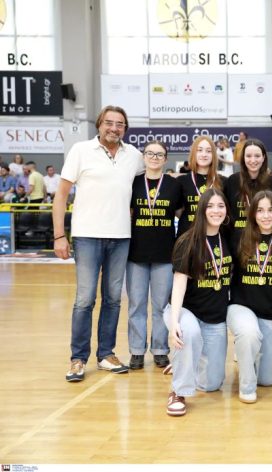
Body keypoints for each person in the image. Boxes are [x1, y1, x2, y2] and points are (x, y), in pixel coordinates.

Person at [52, 105, 144, 382]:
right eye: (109, 123)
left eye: (120, 124)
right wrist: (59, 235)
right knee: (85, 300)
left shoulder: (134, 156)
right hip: (87, 236)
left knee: (113, 299)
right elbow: (61, 195)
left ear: (125, 129)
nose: (114, 128)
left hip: (121, 237)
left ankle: (106, 354)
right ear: (99, 125)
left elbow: (148, 183)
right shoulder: (81, 150)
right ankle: (78, 358)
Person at [227, 191, 272, 403]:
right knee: (248, 333)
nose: (266, 216)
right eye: (260, 210)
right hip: (242, 306)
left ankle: (250, 355)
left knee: (268, 379)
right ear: (252, 213)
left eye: (270, 210)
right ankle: (247, 387)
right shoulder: (238, 237)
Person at [164, 188, 232, 416]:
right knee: (189, 333)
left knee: (211, 384)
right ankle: (177, 391)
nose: (216, 211)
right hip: (185, 310)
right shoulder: (188, 240)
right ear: (202, 209)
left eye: (220, 206)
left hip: (214, 317)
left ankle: (183, 361)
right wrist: (174, 322)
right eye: (210, 206)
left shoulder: (228, 237)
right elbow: (179, 284)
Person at [126, 141, 182, 370]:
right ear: (144, 157)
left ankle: (160, 350)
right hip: (136, 253)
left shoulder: (173, 185)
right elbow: (127, 212)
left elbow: (182, 214)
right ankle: (136, 351)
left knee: (161, 306)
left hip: (164, 254)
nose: (154, 157)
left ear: (165, 159)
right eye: (150, 153)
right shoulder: (133, 182)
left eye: (159, 155)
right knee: (136, 305)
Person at [223, 138, 272, 239]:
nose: (253, 160)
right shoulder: (232, 181)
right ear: (243, 158)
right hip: (237, 240)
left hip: (264, 239)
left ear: (263, 158)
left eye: (257, 156)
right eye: (248, 156)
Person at [175, 136, 224, 238]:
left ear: (213, 155)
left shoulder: (223, 182)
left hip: (215, 237)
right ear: (193, 153)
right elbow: (177, 211)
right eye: (199, 150)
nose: (204, 154)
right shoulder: (181, 181)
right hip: (188, 236)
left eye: (208, 151)